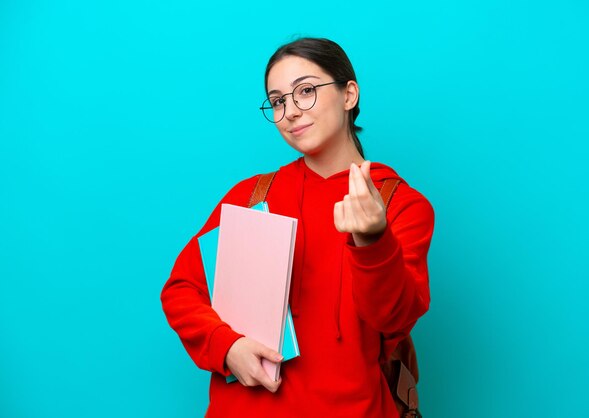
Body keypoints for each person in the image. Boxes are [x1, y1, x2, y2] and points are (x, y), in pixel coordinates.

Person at [161, 37, 435, 418]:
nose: (290, 111)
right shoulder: (251, 195)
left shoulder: (399, 204)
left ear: (349, 94)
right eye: (277, 101)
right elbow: (181, 290)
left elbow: (394, 318)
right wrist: (226, 347)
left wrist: (373, 240)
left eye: (305, 90)